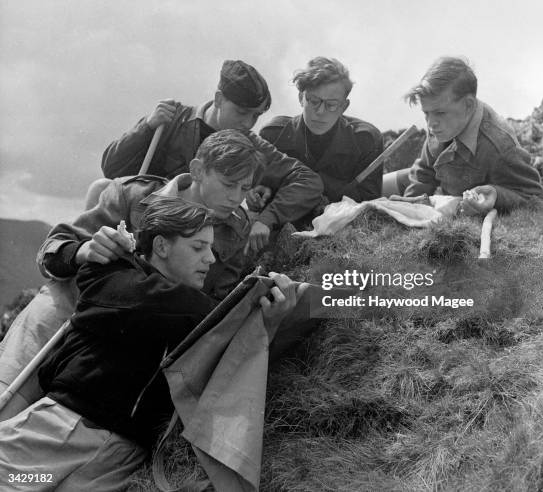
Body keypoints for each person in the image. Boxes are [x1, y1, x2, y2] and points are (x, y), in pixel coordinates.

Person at [0, 198, 307, 491]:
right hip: (60, 429)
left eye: (211, 248)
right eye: (199, 247)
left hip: (120, 457)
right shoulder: (112, 273)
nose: (210, 259)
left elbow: (231, 358)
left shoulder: (199, 313)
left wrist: (267, 320)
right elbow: (159, 303)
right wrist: (242, 305)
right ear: (161, 246)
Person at [0, 130, 261, 419]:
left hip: (125, 341)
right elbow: (51, 250)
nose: (237, 198)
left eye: (245, 189)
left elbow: (217, 298)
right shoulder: (133, 194)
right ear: (198, 170)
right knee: (5, 399)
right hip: (69, 307)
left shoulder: (236, 228)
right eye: (228, 185)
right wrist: (83, 250)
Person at [99, 59, 323, 251]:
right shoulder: (171, 119)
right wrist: (147, 127)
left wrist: (267, 218)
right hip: (148, 222)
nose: (248, 123)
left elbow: (308, 181)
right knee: (99, 188)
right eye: (241, 112)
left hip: (204, 238)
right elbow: (112, 168)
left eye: (256, 116)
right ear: (218, 99)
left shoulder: (251, 145)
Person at [400, 56, 543, 214]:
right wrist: (408, 210)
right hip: (435, 181)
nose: (430, 124)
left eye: (440, 113)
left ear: (468, 105)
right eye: (426, 113)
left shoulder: (499, 147)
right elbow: (423, 172)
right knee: (374, 186)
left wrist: (496, 195)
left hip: (456, 194)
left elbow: (537, 200)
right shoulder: (443, 124)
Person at [259, 57, 384, 205]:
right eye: (313, 101)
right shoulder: (272, 136)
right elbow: (259, 189)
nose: (320, 111)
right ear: (301, 98)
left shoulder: (367, 140)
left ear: (344, 107)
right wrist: (258, 193)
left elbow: (369, 203)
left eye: (331, 104)